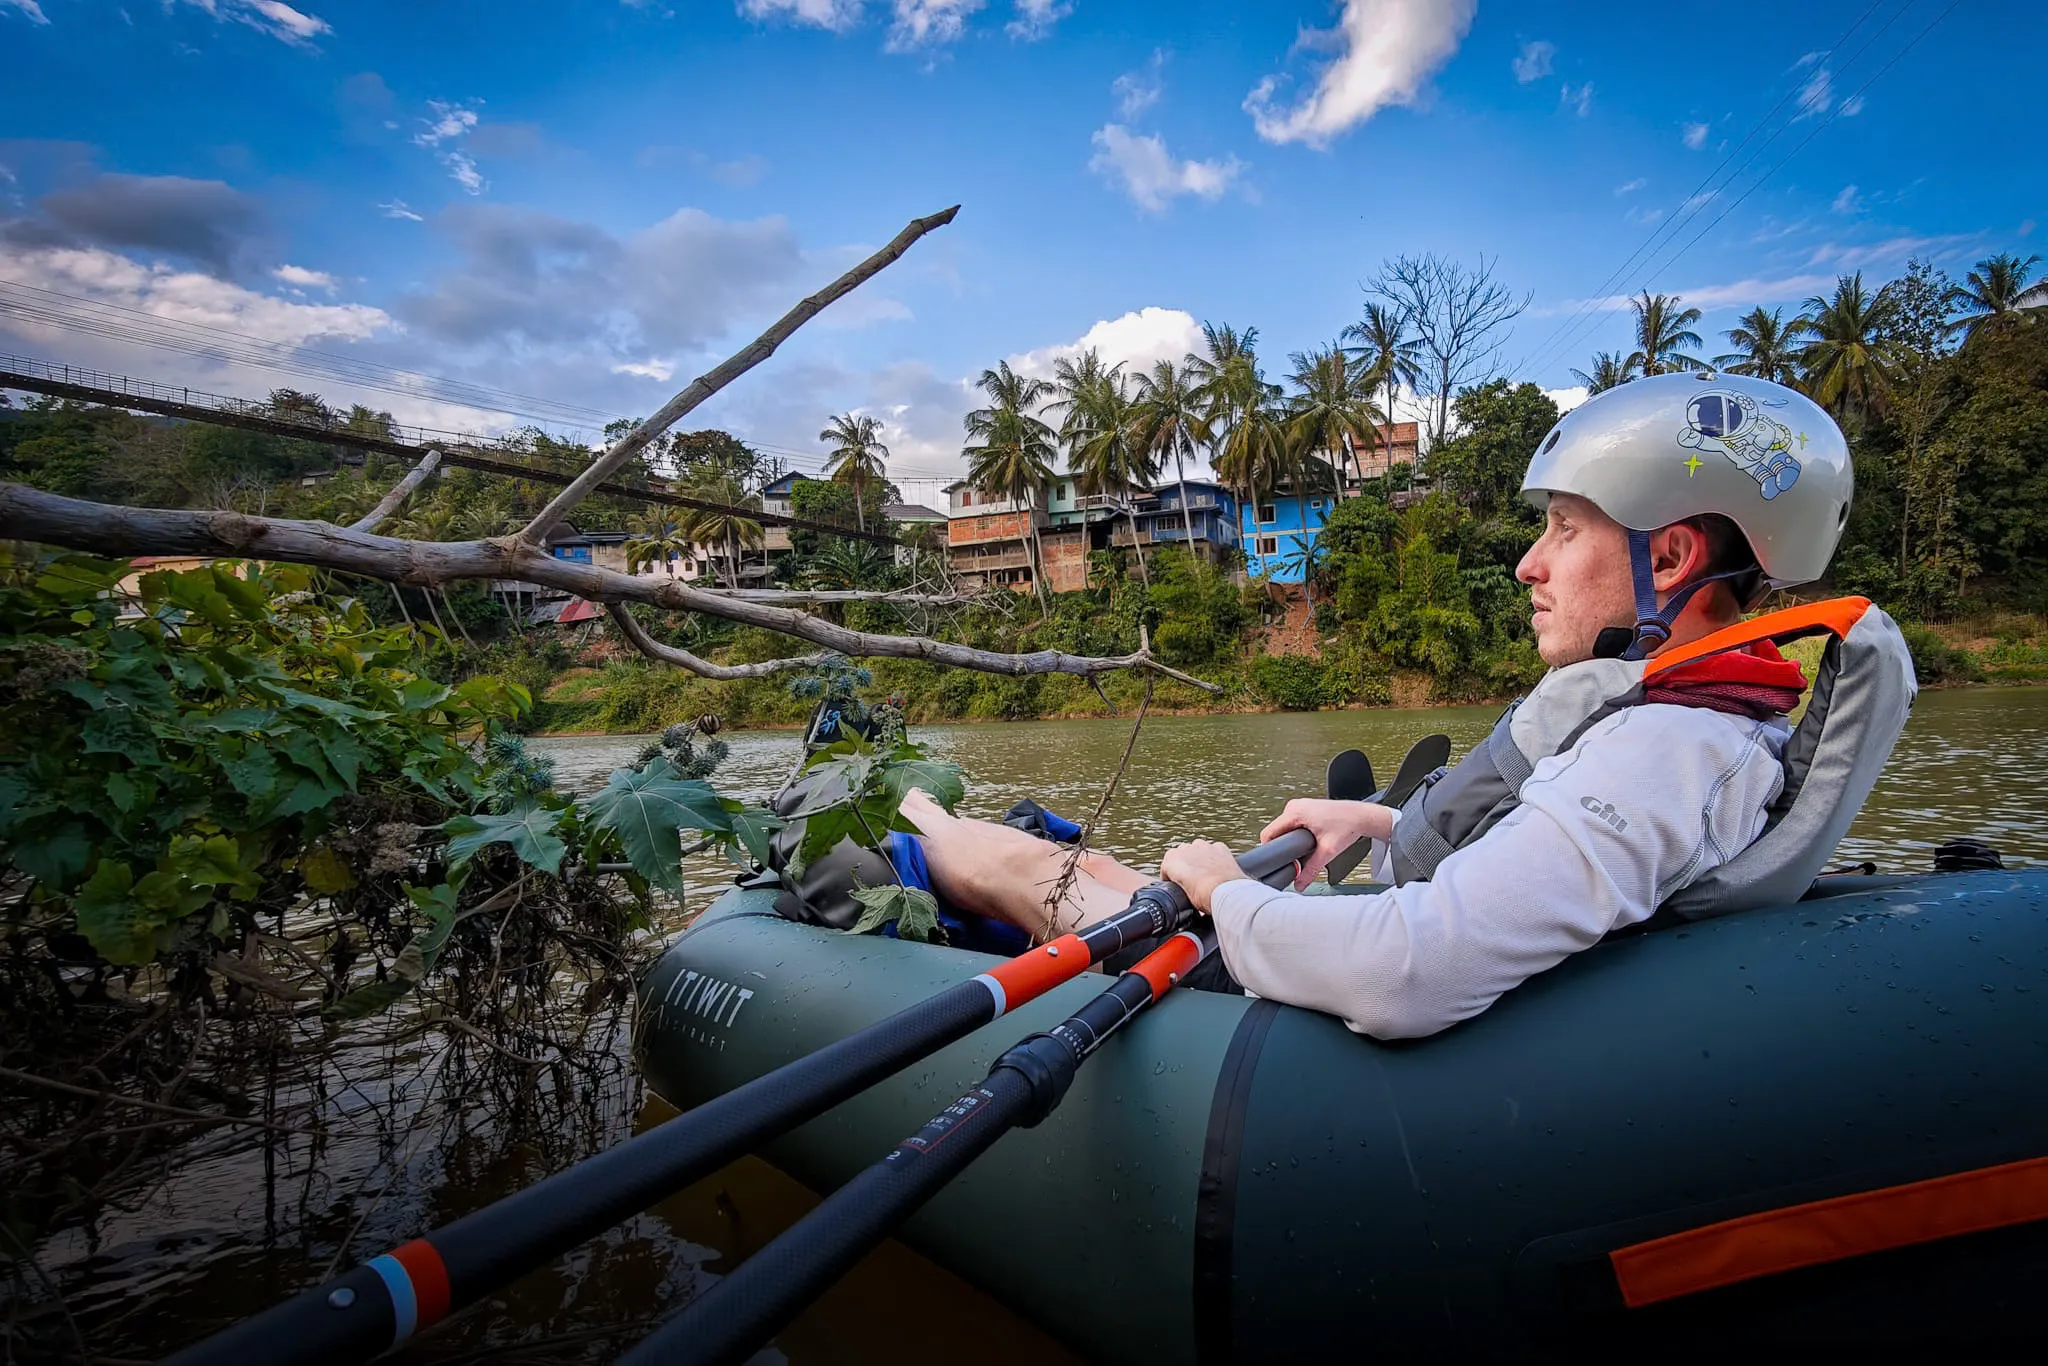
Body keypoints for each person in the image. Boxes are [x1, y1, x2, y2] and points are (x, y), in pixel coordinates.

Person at [899, 372, 1913, 1040]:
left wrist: (1220, 891)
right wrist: (1377, 822)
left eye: (1561, 529)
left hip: (1302, 1017)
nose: (1527, 563)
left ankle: (910, 816)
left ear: (1670, 555)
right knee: (1081, 867)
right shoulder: (1701, 732)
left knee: (1024, 866)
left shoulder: (1664, 752)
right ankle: (926, 817)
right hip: (1335, 946)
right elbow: (1552, 867)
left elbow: (1405, 971)